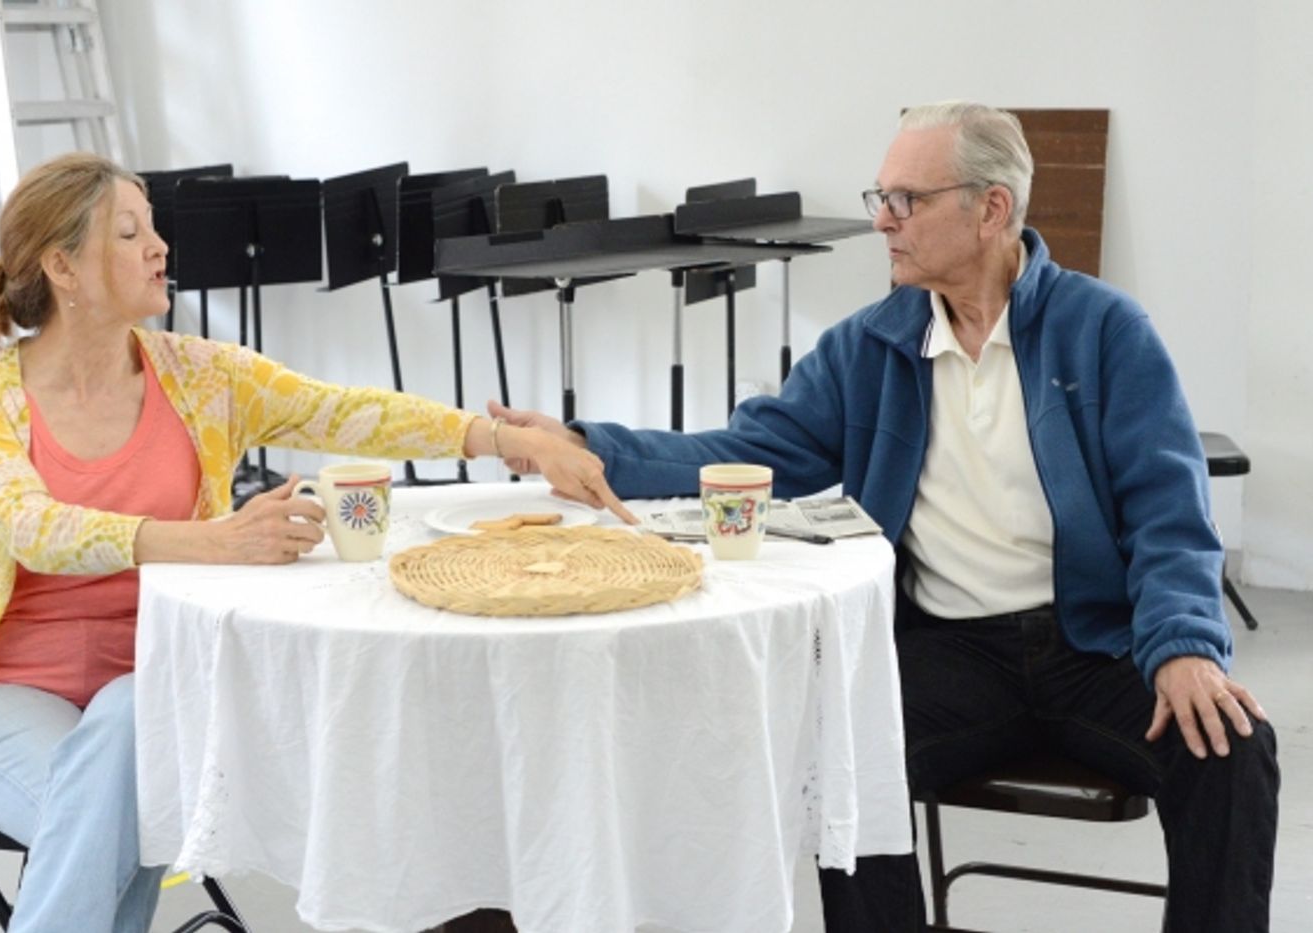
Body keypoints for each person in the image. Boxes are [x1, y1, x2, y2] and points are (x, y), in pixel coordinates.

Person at [494, 101, 1280, 932]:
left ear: (991, 210)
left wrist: (1185, 645)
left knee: (1232, 749)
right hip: (948, 650)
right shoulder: (866, 348)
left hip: (1096, 643)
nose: (881, 220)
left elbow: (1171, 514)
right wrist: (585, 443)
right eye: (882, 196)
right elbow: (742, 452)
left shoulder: (1105, 332)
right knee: (844, 763)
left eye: (907, 199)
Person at [0, 152, 629, 933]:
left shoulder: (202, 376)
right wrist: (214, 540)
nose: (160, 247)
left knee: (129, 732)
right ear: (62, 266)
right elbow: (33, 529)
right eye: (130, 233)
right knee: (117, 797)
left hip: (156, 682)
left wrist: (501, 438)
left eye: (154, 228)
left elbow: (346, 412)